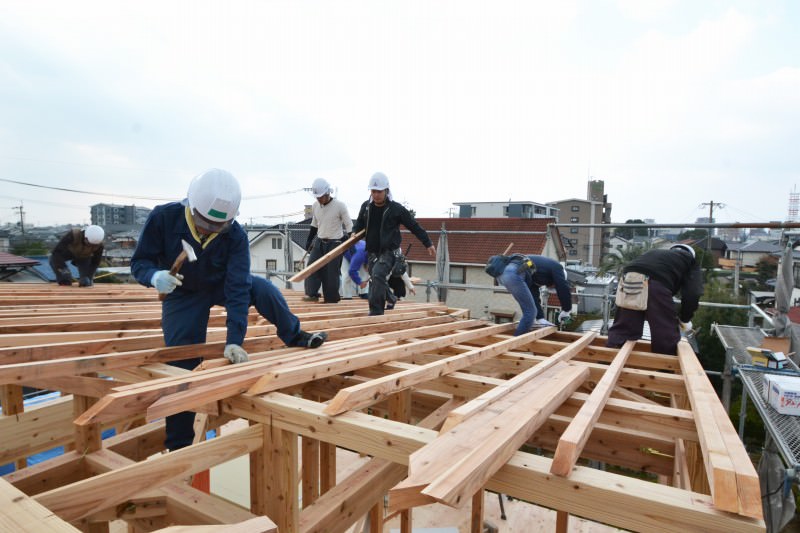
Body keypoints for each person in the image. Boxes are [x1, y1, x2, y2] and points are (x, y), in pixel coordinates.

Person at [131, 168, 328, 451]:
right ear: (192, 207)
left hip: (218, 284)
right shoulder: (163, 218)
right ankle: (179, 444)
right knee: (182, 361)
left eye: (218, 226)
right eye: (206, 223)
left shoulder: (234, 234)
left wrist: (234, 340)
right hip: (182, 291)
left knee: (264, 290)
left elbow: (237, 288)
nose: (211, 230)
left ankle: (295, 335)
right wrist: (153, 276)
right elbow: (139, 262)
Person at [351, 172, 435, 315]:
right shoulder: (366, 207)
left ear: (386, 191)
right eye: (373, 191)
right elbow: (359, 224)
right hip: (372, 251)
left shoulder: (396, 209)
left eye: (379, 191)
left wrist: (427, 242)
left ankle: (376, 312)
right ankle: (391, 298)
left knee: (377, 276)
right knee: (376, 279)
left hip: (389, 252)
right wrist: (354, 232)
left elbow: (413, 225)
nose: (376, 195)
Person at [606, 243, 703, 355]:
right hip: (655, 283)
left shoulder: (656, 253)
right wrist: (685, 318)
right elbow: (693, 293)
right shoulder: (690, 260)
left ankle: (609, 357)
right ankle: (665, 366)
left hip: (628, 278)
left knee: (625, 327)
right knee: (666, 333)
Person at [496, 254, 573, 336]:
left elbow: (534, 297)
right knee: (530, 312)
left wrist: (540, 318)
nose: (550, 287)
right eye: (554, 286)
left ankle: (524, 332)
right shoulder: (557, 268)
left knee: (529, 310)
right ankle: (514, 343)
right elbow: (563, 287)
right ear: (555, 280)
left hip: (503, 274)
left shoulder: (538, 276)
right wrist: (566, 309)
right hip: (514, 272)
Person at [303, 178, 353, 303]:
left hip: (335, 243)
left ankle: (331, 299)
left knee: (331, 274)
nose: (318, 199)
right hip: (320, 242)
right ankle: (312, 294)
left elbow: (349, 224)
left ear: (327, 193)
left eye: (320, 196)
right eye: (317, 197)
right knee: (312, 268)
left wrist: (352, 238)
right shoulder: (315, 206)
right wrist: (309, 240)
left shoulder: (339, 206)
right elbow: (314, 224)